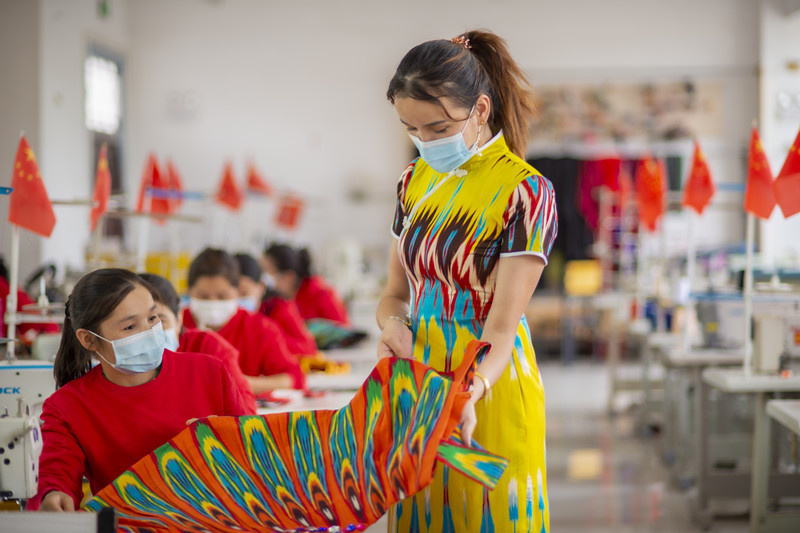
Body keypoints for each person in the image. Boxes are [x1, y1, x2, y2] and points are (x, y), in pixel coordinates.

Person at [377, 30, 558, 532]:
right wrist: (393, 326)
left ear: (479, 109)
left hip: (487, 382)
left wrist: (468, 392)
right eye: (411, 130)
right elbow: (395, 293)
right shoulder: (411, 182)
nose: (425, 142)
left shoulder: (525, 191)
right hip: (420, 384)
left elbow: (502, 326)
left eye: (437, 128)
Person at [32, 268, 248, 511]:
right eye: (130, 327)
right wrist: (53, 495)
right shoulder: (67, 408)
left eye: (153, 318)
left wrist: (226, 440)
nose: (148, 332)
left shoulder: (209, 373)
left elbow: (254, 457)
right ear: (89, 339)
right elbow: (55, 473)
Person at [182, 248, 305, 393]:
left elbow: (294, 378)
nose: (213, 302)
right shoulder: (175, 325)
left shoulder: (259, 327)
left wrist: (241, 383)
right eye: (203, 296)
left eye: (222, 296)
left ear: (237, 292)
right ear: (189, 292)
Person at [138, 272, 257, 414]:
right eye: (131, 326)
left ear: (178, 319)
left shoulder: (209, 348)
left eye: (159, 321)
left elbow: (245, 415)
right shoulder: (114, 365)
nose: (148, 333)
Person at [234, 252, 317, 357]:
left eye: (244, 293)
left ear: (261, 287)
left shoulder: (279, 308)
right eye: (232, 295)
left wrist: (269, 339)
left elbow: (308, 348)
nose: (238, 300)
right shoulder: (224, 317)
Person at [262, 243, 350, 325]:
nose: (262, 278)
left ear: (289, 277)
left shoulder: (323, 296)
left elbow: (346, 335)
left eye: (267, 272)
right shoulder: (271, 301)